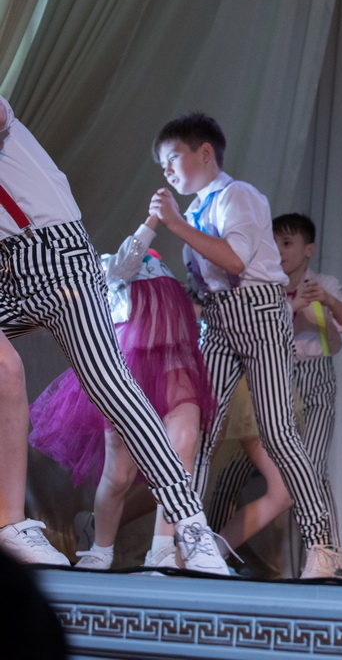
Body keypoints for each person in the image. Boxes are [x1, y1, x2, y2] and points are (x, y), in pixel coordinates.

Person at [0, 95, 226, 573]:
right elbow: (125, 261)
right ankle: (14, 525)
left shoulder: (154, 271)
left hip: (57, 260)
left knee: (114, 389)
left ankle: (189, 527)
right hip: (6, 273)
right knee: (6, 371)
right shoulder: (125, 263)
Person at [150, 112, 341, 578]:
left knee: (277, 431)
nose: (167, 171)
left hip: (259, 314)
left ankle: (323, 544)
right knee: (200, 432)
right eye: (162, 165)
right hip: (218, 321)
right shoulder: (195, 212)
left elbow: (235, 260)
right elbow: (205, 285)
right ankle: (185, 545)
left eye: (172, 158)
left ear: (204, 153)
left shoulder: (238, 195)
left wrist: (173, 224)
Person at [28, 217, 216, 570]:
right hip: (131, 367)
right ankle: (100, 548)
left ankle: (162, 553)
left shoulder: (165, 273)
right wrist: (151, 223)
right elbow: (123, 265)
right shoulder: (107, 266)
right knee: (118, 474)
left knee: (184, 448)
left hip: (175, 363)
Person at [208, 214, 342, 557]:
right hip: (270, 376)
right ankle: (207, 551)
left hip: (315, 378)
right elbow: (250, 328)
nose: (279, 250)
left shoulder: (323, 282)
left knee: (312, 469)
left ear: (309, 249)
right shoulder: (264, 283)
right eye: (274, 242)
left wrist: (326, 299)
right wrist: (292, 305)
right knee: (233, 472)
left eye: (287, 243)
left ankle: (325, 556)